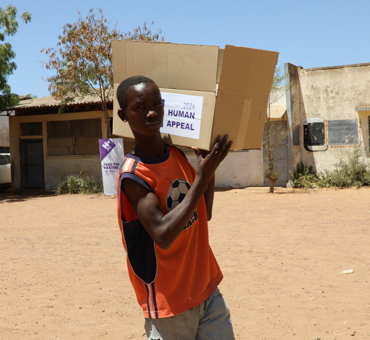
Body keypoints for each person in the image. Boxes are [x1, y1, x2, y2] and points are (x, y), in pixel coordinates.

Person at [115, 75, 235, 340]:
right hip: (169, 303)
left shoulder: (177, 155)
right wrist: (202, 178)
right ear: (123, 115)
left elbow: (204, 212)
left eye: (157, 103)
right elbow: (163, 234)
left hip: (206, 289)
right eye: (140, 106)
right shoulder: (134, 175)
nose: (151, 112)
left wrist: (209, 171)